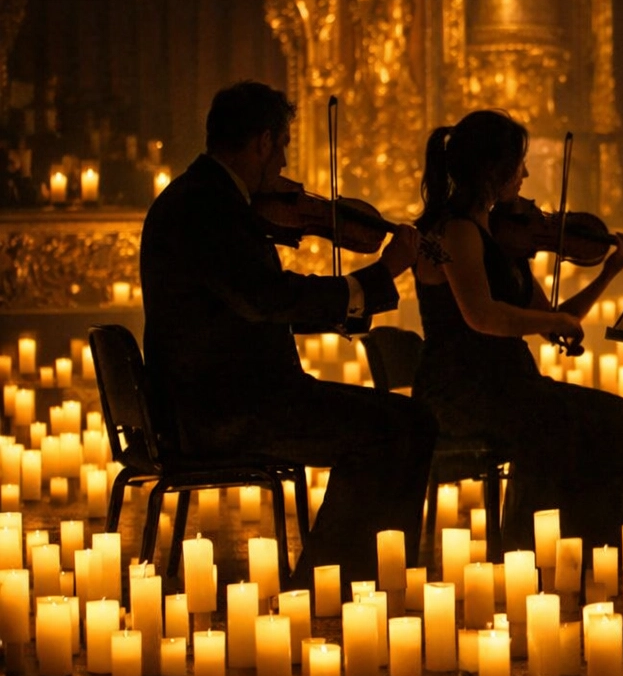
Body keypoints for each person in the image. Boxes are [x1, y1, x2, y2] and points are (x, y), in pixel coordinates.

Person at [140, 80, 436, 584]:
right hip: (227, 411)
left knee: (406, 421)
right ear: (261, 142)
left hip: (226, 399)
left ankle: (349, 574)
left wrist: (352, 303)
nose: (281, 165)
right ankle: (340, 581)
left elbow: (260, 303)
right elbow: (264, 298)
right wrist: (378, 276)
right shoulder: (206, 208)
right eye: (280, 147)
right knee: (399, 427)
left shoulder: (204, 198)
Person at [411, 110, 623, 549]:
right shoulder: (455, 232)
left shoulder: (503, 236)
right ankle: (530, 549)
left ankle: (602, 547)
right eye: (519, 162)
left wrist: (610, 272)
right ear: (494, 168)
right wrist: (554, 322)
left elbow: (556, 321)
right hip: (462, 391)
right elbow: (481, 316)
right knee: (558, 424)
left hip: (509, 385)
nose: (526, 173)